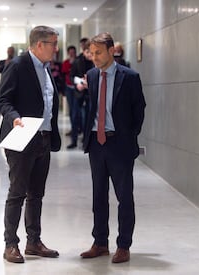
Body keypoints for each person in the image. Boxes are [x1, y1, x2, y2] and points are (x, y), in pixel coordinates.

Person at [0, 25, 62, 264]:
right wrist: (14, 116)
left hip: (43, 138)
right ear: (39, 45)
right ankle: (10, 243)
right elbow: (3, 99)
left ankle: (33, 241)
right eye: (53, 44)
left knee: (37, 194)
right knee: (18, 192)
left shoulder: (46, 69)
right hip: (22, 137)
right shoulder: (17, 65)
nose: (56, 48)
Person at [80, 33, 146, 264]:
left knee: (124, 196)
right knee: (98, 196)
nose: (94, 57)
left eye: (98, 53)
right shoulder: (91, 75)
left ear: (111, 51)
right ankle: (100, 243)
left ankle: (123, 245)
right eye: (92, 53)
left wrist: (129, 135)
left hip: (119, 143)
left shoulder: (129, 77)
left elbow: (139, 109)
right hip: (97, 144)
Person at [68, 38, 94, 149]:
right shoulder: (77, 61)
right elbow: (71, 76)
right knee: (75, 117)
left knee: (88, 118)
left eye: (91, 52)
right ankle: (74, 140)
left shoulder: (95, 62)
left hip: (91, 94)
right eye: (87, 52)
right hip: (78, 93)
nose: (89, 54)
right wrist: (80, 83)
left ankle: (86, 141)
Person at [61, 45, 77, 138]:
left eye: (73, 52)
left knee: (76, 111)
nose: (72, 54)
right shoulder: (66, 62)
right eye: (70, 52)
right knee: (71, 110)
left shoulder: (78, 61)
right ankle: (73, 129)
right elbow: (64, 74)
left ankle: (76, 129)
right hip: (68, 88)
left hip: (77, 89)